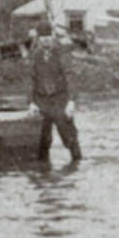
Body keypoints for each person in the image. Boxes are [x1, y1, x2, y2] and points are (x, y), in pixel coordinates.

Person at [28, 21, 81, 162]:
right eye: (42, 37)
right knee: (42, 141)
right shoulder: (35, 55)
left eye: (48, 36)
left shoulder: (62, 53)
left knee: (69, 137)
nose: (46, 39)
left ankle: (76, 166)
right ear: (38, 39)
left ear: (53, 36)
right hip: (41, 101)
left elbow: (71, 77)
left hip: (60, 100)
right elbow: (30, 80)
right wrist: (31, 102)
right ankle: (44, 174)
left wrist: (71, 101)